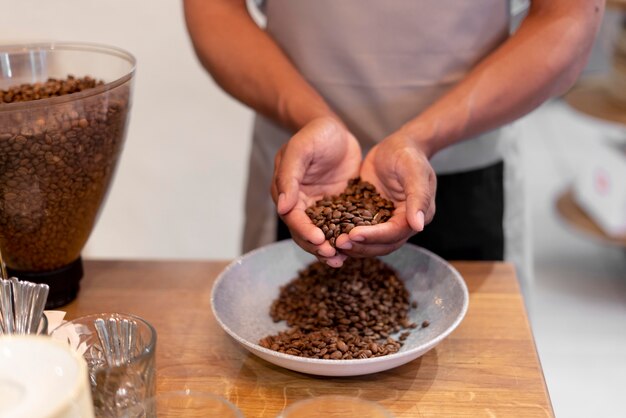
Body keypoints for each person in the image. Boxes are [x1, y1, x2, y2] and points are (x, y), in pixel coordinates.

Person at [183, 0, 604, 280]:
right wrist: (311, 117)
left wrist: (424, 138)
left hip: (470, 167)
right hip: (303, 175)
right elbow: (215, 9)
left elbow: (569, 18)